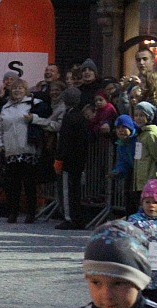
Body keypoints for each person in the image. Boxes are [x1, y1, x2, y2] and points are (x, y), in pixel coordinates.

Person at [0, 78, 48, 224]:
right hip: (11, 151)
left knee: (29, 184)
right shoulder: (5, 107)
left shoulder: (34, 104)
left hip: (28, 150)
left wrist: (34, 118)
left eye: (20, 88)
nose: (17, 91)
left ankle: (31, 213)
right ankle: (13, 213)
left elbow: (47, 121)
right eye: (14, 88)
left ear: (26, 90)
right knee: (12, 185)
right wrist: (0, 145)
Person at [54, 87, 89, 230]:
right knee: (76, 190)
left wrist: (59, 159)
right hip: (78, 159)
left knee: (67, 191)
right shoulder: (80, 116)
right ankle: (77, 217)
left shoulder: (69, 117)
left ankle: (69, 218)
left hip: (68, 161)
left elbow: (65, 141)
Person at [131, 102, 157, 193]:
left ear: (148, 117)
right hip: (141, 182)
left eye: (142, 115)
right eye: (136, 115)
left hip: (151, 180)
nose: (138, 118)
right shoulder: (141, 135)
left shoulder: (151, 135)